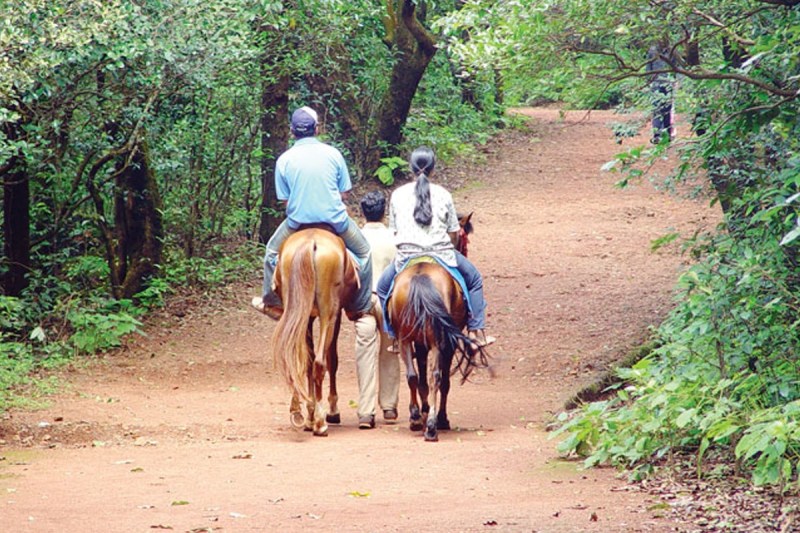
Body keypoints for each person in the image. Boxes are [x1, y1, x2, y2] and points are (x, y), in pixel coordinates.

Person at [250, 106, 373, 321]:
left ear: (292, 131)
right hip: (335, 222)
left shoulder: (284, 160)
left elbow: (285, 200)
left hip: (297, 223)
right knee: (364, 253)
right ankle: (359, 306)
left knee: (271, 253)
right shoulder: (334, 154)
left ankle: (273, 303)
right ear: (317, 129)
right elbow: (344, 193)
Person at [376, 146, 495, 349]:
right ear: (433, 169)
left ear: (411, 168)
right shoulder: (443, 194)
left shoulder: (397, 194)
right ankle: (476, 333)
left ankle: (394, 336)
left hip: (406, 256)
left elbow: (394, 231)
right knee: (474, 279)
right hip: (441, 254)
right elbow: (454, 232)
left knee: (382, 288)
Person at [353, 191, 400, 428]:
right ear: (384, 212)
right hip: (389, 301)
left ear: (363, 212)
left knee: (365, 354)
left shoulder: (356, 238)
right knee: (390, 351)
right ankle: (389, 406)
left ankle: (365, 411)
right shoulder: (395, 237)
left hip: (363, 303)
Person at [646, 44, 674, 144]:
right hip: (656, 84)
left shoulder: (672, 50)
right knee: (657, 109)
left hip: (668, 84)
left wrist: (676, 81)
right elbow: (648, 67)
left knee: (667, 110)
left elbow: (676, 67)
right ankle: (657, 135)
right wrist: (649, 82)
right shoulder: (652, 51)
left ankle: (667, 133)